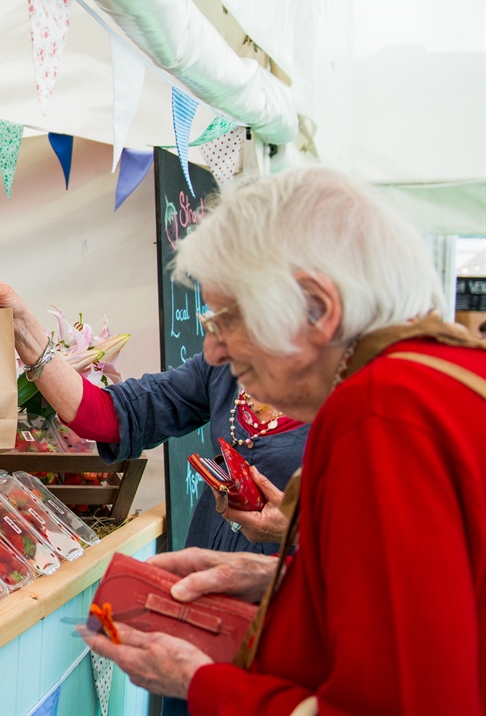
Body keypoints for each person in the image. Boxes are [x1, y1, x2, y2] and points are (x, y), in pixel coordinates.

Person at [76, 166, 486, 715]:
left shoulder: (377, 413)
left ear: (317, 309)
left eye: (227, 319)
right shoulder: (442, 378)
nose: (215, 350)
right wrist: (283, 579)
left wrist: (202, 683)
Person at [0, 290, 306, 551]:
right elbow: (111, 416)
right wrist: (23, 330)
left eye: (233, 318)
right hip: (210, 596)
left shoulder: (355, 394)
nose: (214, 346)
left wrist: (297, 531)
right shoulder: (222, 369)